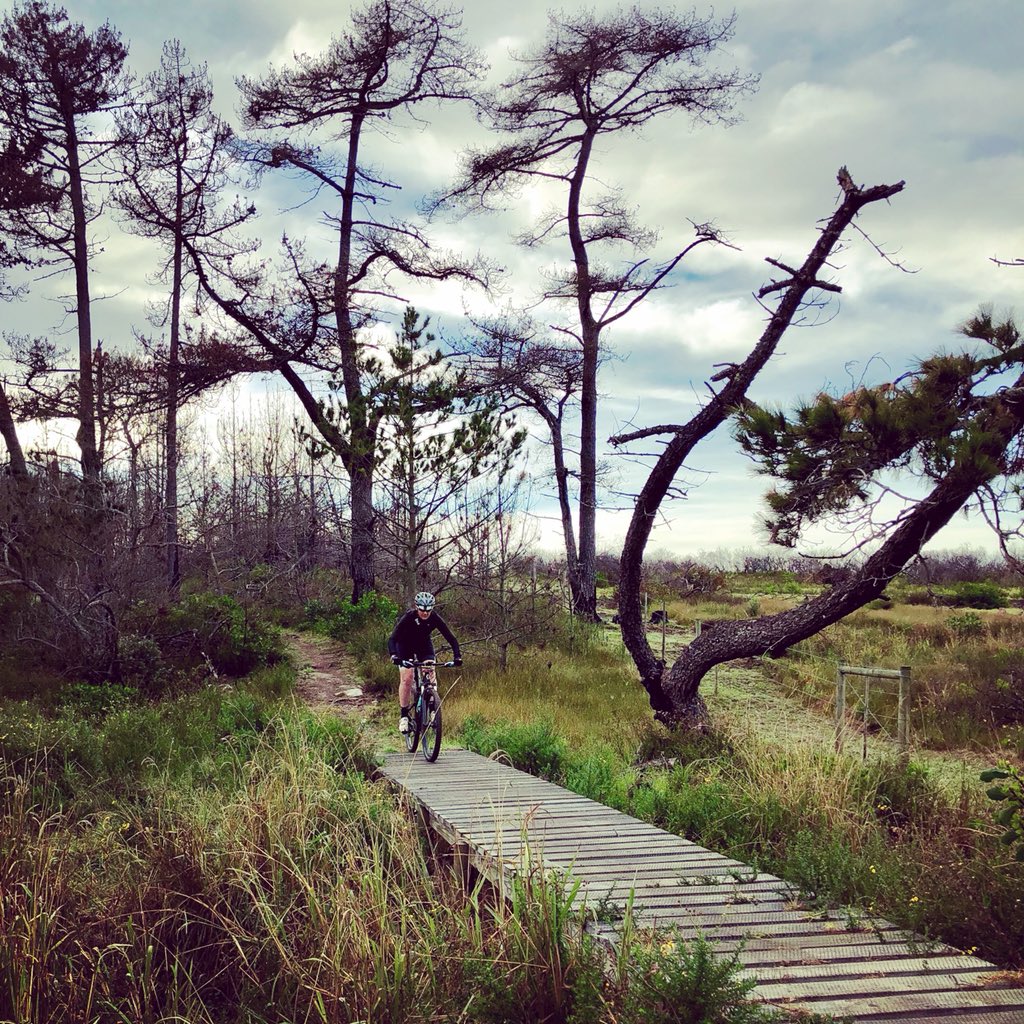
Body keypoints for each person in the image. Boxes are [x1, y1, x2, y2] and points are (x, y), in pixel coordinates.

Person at [388, 590, 461, 734]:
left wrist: (457, 657)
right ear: (417, 607)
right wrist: (394, 656)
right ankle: (404, 716)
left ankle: (433, 709)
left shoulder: (434, 618)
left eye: (428, 610)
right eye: (422, 610)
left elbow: (451, 638)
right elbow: (392, 639)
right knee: (407, 678)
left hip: (423, 645)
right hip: (405, 645)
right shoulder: (409, 617)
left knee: (430, 671)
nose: (425, 613)